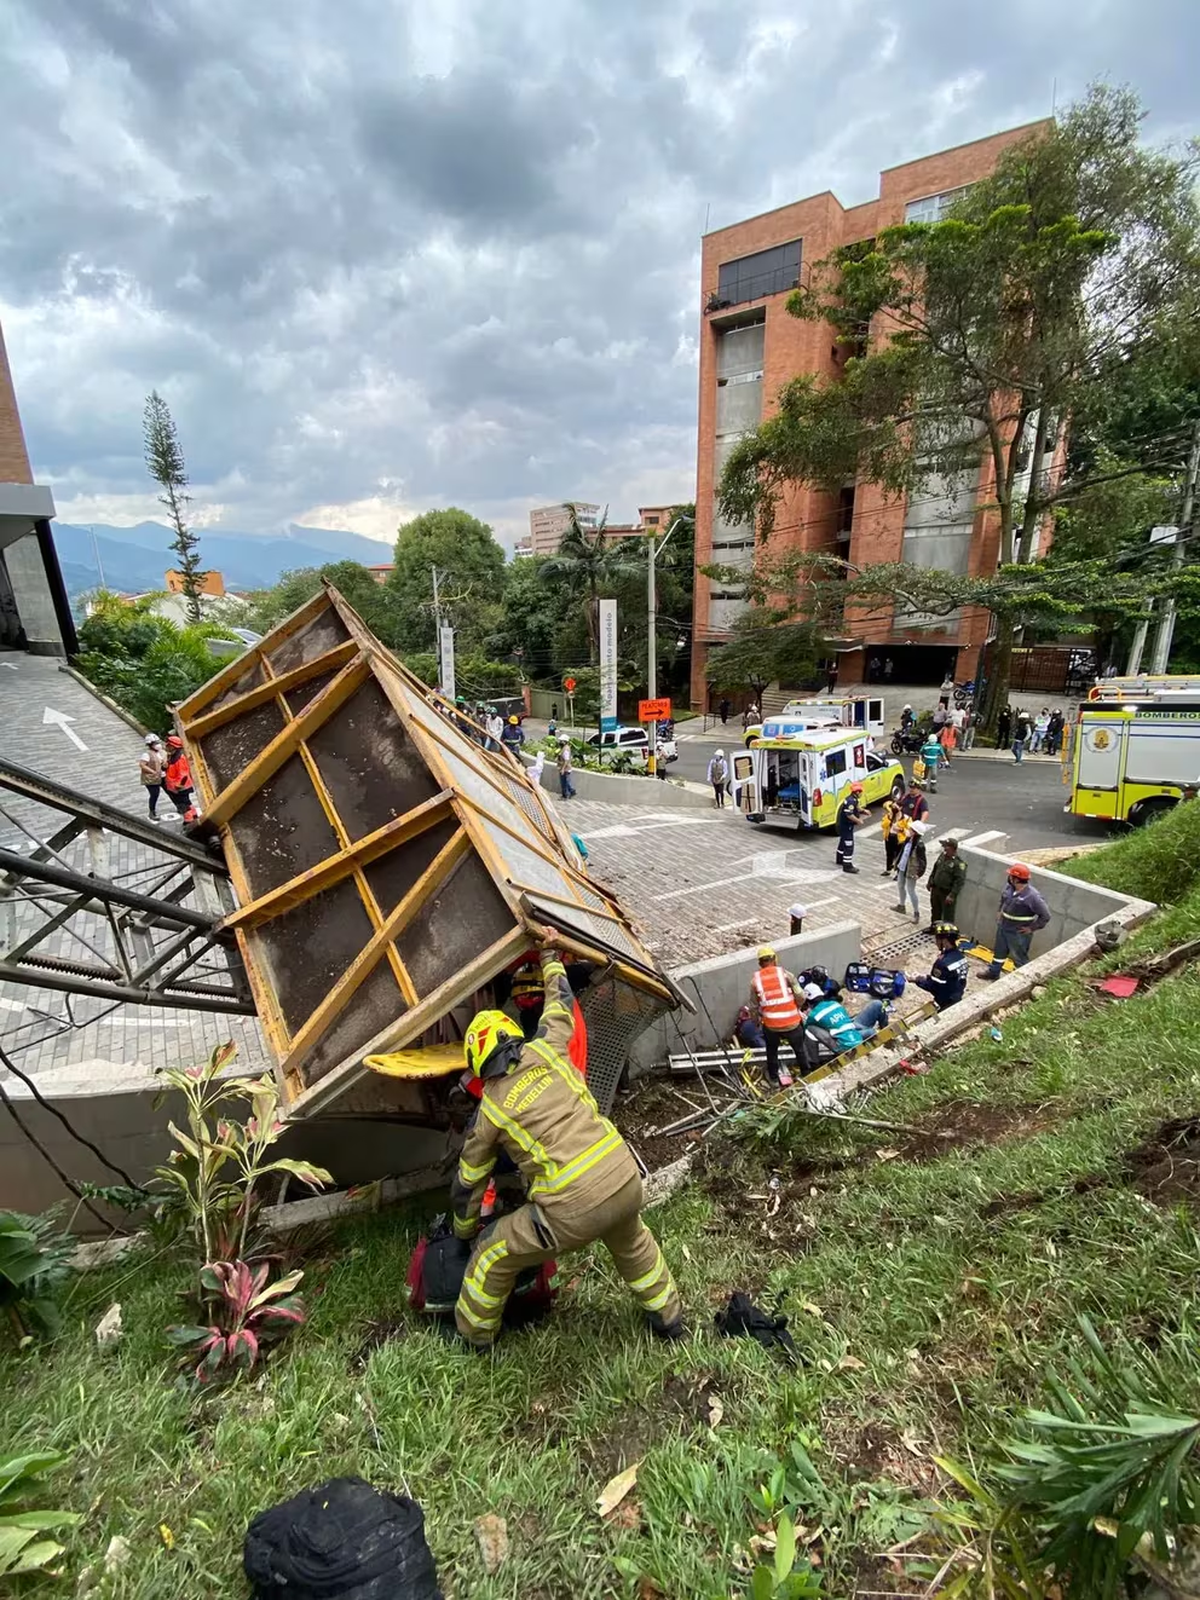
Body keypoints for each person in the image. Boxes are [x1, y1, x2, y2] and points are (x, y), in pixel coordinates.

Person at [451, 947, 682, 1347]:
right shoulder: (548, 1047)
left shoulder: (490, 1111)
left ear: (478, 1063)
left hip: (570, 1210)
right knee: (633, 1243)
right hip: (624, 1178)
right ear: (514, 1035)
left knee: (492, 1254)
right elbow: (560, 999)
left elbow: (468, 1180)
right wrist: (549, 954)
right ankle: (670, 1318)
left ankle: (474, 1338)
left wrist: (464, 1231)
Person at [748, 945, 807, 1089]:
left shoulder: (755, 981)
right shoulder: (786, 975)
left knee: (772, 1051)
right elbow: (800, 995)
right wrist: (797, 1007)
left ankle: (774, 1078)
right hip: (792, 1023)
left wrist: (756, 1022)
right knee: (800, 1049)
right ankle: (806, 1074)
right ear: (774, 959)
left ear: (760, 963)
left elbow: (754, 1006)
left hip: (771, 1026)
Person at [983, 863, 1050, 979]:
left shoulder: (1033, 897)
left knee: (1019, 957)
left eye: (1011, 876)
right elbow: (1003, 899)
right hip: (1004, 926)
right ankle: (993, 972)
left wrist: (1031, 928)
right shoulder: (1009, 888)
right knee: (999, 952)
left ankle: (1019, 979)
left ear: (1016, 879)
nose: (1008, 878)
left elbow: (1045, 916)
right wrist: (1000, 911)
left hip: (1018, 932)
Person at [802, 982, 889, 1061]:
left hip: (843, 1048)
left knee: (809, 1029)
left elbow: (806, 1030)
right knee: (877, 1004)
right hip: (856, 1037)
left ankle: (813, 1064)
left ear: (808, 1002)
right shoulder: (835, 1004)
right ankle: (887, 1033)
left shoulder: (813, 1015)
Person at [914, 922, 968, 1011]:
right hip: (957, 998)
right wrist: (926, 977)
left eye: (937, 939)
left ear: (944, 941)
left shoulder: (942, 963)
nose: (936, 943)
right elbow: (949, 980)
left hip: (944, 1004)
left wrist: (917, 980)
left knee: (929, 1022)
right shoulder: (961, 957)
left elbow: (934, 987)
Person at [893, 819, 929, 921]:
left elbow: (923, 861)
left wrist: (919, 873)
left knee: (911, 890)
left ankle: (916, 912)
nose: (909, 829)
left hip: (911, 870)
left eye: (911, 829)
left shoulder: (919, 845)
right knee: (900, 886)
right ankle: (901, 906)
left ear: (915, 832)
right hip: (902, 867)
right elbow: (903, 852)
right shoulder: (908, 839)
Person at [927, 837, 965, 929]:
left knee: (947, 915)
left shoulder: (958, 864)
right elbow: (935, 868)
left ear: (953, 848)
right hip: (936, 889)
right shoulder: (942, 856)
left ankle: (945, 934)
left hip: (946, 893)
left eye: (946, 847)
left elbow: (959, 881)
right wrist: (930, 881)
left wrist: (952, 895)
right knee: (935, 910)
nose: (944, 848)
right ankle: (934, 928)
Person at [835, 780, 867, 874]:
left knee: (843, 842)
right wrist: (858, 821)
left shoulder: (852, 799)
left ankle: (840, 859)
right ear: (857, 792)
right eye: (860, 792)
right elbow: (849, 815)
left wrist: (863, 811)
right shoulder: (851, 801)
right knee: (849, 845)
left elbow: (856, 808)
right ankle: (847, 865)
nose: (861, 793)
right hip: (847, 826)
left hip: (844, 826)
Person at [162, 735, 197, 821]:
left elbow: (183, 774)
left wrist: (179, 785)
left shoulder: (180, 759)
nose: (166, 746)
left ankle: (188, 820)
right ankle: (194, 814)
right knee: (186, 802)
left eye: (168, 745)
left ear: (173, 746)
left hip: (180, 787)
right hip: (174, 786)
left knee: (182, 804)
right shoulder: (171, 757)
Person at [138, 734, 165, 820]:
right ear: (150, 745)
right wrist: (153, 772)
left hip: (161, 776)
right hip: (151, 779)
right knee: (154, 795)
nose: (158, 744)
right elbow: (142, 765)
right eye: (155, 743)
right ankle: (152, 812)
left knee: (171, 791)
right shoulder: (146, 754)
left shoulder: (160, 753)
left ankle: (179, 806)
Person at [880, 794, 905, 876]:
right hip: (889, 837)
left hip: (899, 839)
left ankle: (898, 873)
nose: (894, 808)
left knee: (899, 856)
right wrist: (890, 818)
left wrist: (900, 829)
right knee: (889, 854)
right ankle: (888, 870)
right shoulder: (889, 816)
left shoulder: (906, 818)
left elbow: (908, 830)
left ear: (900, 808)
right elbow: (883, 825)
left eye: (896, 806)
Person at [556, 736, 576, 800]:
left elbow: (566, 760)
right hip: (565, 768)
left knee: (564, 783)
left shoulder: (565, 749)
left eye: (561, 741)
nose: (560, 742)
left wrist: (562, 769)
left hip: (565, 769)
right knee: (566, 782)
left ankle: (567, 794)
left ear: (565, 741)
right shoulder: (564, 748)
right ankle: (570, 792)